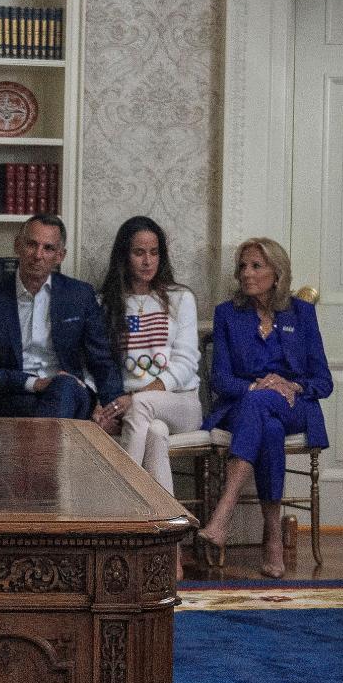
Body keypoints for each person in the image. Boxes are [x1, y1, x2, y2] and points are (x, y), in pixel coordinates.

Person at [198, 237, 332, 578]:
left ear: (277, 272)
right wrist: (257, 385)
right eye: (243, 266)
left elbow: (323, 381)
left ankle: (223, 513)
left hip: (294, 406)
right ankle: (273, 536)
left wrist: (292, 384)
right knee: (266, 422)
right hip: (244, 406)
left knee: (265, 407)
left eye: (256, 266)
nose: (246, 273)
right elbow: (221, 380)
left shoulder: (301, 314)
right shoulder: (228, 314)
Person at [97, 216, 201, 579]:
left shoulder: (179, 298)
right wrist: (105, 402)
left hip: (182, 402)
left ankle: (121, 510)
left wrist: (134, 397)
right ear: (124, 256)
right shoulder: (108, 302)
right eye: (139, 252)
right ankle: (170, 548)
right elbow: (96, 361)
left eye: (154, 252)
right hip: (139, 414)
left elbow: (187, 363)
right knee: (154, 432)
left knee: (143, 407)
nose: (147, 261)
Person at [0, 214, 126, 421]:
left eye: (48, 248)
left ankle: (39, 453)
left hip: (69, 393)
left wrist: (113, 408)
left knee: (63, 386)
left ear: (60, 256)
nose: (38, 255)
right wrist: (35, 383)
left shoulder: (79, 295)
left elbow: (101, 359)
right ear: (17, 246)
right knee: (49, 399)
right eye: (31, 244)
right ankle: (46, 453)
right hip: (11, 395)